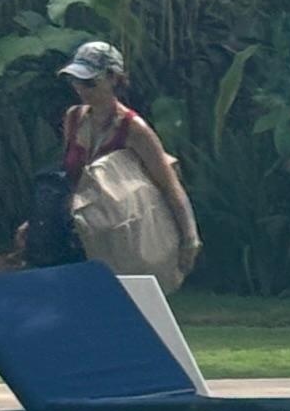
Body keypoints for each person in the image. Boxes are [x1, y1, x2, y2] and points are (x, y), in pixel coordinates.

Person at [17, 37, 200, 285]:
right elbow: (69, 179)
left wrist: (189, 238)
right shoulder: (73, 118)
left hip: (115, 233)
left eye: (89, 82)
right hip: (74, 228)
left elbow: (169, 184)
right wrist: (40, 221)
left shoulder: (134, 129)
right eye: (75, 81)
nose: (81, 89)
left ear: (113, 78)